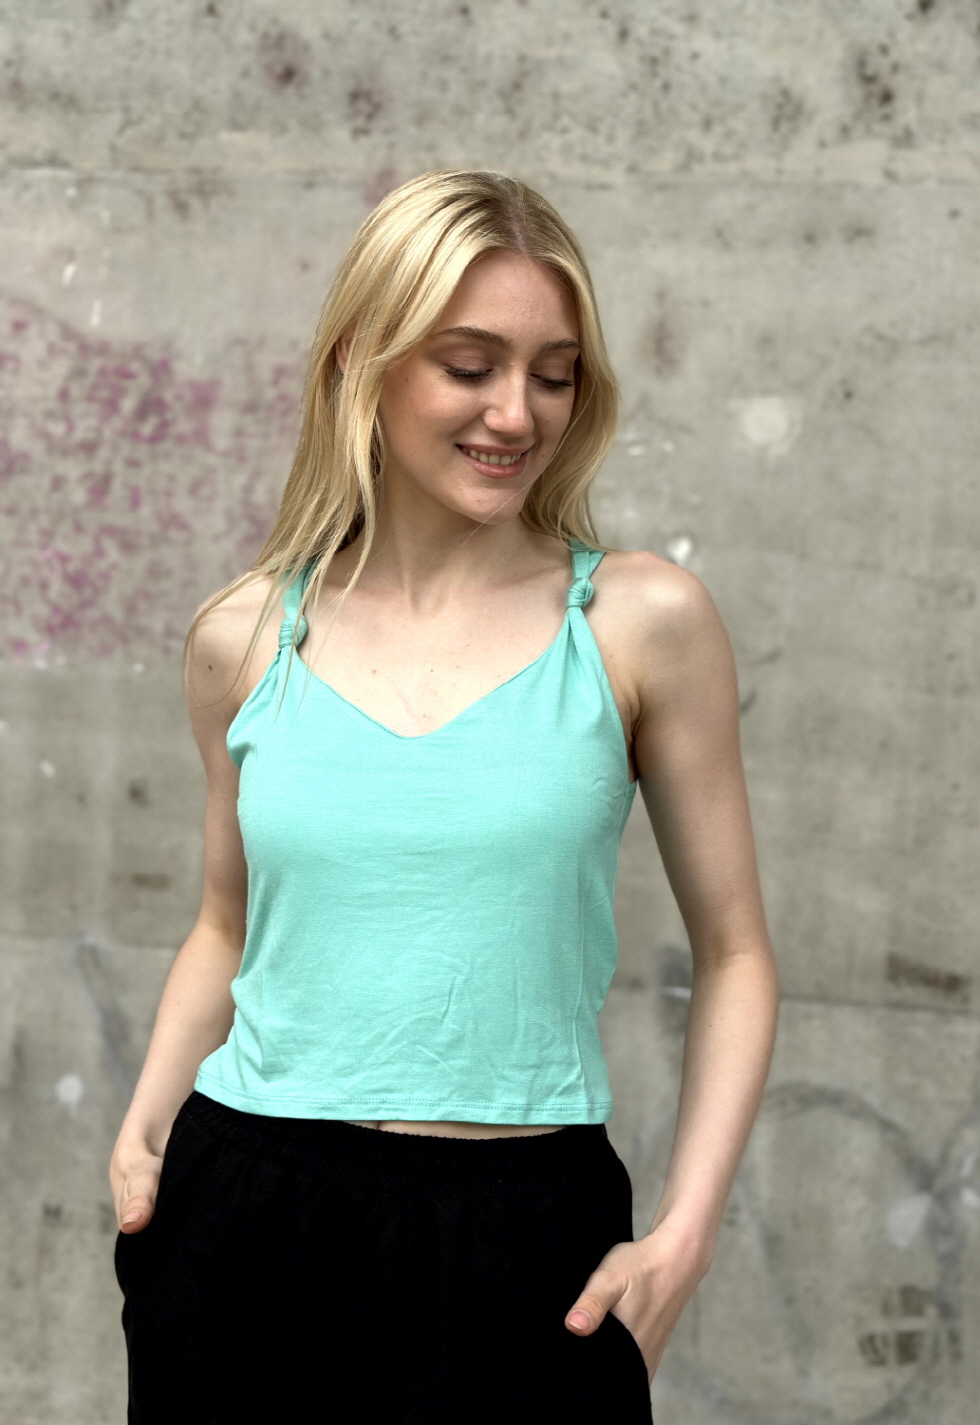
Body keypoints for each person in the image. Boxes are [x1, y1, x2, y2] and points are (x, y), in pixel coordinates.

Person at [109, 169, 779, 1424]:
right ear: (362, 362)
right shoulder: (244, 636)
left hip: (525, 1244)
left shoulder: (640, 622)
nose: (516, 413)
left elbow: (737, 954)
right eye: (470, 366)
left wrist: (684, 1236)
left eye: (554, 374)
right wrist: (144, 1128)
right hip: (240, 1224)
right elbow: (225, 923)